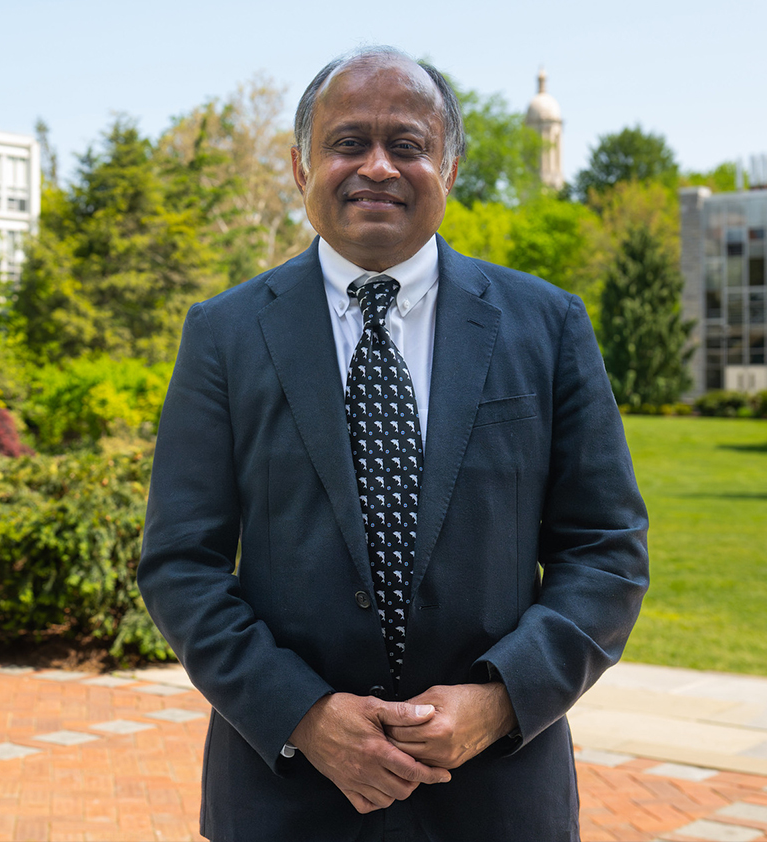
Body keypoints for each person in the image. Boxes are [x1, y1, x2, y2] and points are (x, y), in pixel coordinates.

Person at [137, 46, 649, 842]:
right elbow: (182, 562)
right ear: (301, 161)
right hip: (287, 799)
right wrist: (302, 714)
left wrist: (500, 701)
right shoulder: (224, 335)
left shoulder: (547, 327)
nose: (376, 166)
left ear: (449, 167)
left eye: (407, 145)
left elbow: (607, 550)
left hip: (498, 797)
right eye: (348, 142)